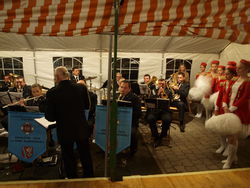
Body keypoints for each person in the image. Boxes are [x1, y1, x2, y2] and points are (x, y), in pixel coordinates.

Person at [45, 66, 93, 178]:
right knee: (85, 154)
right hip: (81, 127)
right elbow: (87, 106)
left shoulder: (52, 92)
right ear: (67, 75)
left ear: (57, 77)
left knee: (68, 156)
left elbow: (50, 117)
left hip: (64, 129)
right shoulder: (81, 88)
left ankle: (72, 179)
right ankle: (89, 177)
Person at [221, 59, 250, 169]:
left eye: (240, 68)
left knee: (233, 136)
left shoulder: (248, 81)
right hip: (230, 109)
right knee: (230, 136)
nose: (237, 70)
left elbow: (245, 97)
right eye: (237, 67)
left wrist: (232, 108)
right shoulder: (236, 79)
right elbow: (227, 92)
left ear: (247, 69)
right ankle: (234, 157)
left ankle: (230, 160)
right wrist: (224, 104)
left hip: (239, 111)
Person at [213, 63, 237, 155]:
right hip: (221, 109)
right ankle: (222, 145)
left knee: (228, 130)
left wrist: (230, 108)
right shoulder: (223, 83)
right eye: (225, 73)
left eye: (227, 74)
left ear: (233, 74)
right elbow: (220, 96)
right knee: (220, 129)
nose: (225, 75)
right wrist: (216, 107)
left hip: (229, 109)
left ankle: (228, 147)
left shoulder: (235, 84)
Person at [146, 79, 172, 147]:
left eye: (162, 84)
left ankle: (162, 135)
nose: (161, 85)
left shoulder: (169, 91)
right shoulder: (154, 91)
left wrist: (165, 94)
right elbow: (151, 99)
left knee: (167, 119)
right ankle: (156, 136)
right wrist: (158, 94)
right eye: (160, 84)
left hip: (165, 111)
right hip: (155, 111)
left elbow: (171, 101)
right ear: (158, 84)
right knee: (150, 118)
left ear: (165, 84)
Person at [118, 80, 141, 155]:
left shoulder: (134, 98)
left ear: (129, 89)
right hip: (119, 121)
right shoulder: (119, 96)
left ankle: (132, 150)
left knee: (132, 132)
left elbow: (138, 113)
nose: (122, 89)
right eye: (121, 87)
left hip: (131, 122)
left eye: (125, 88)